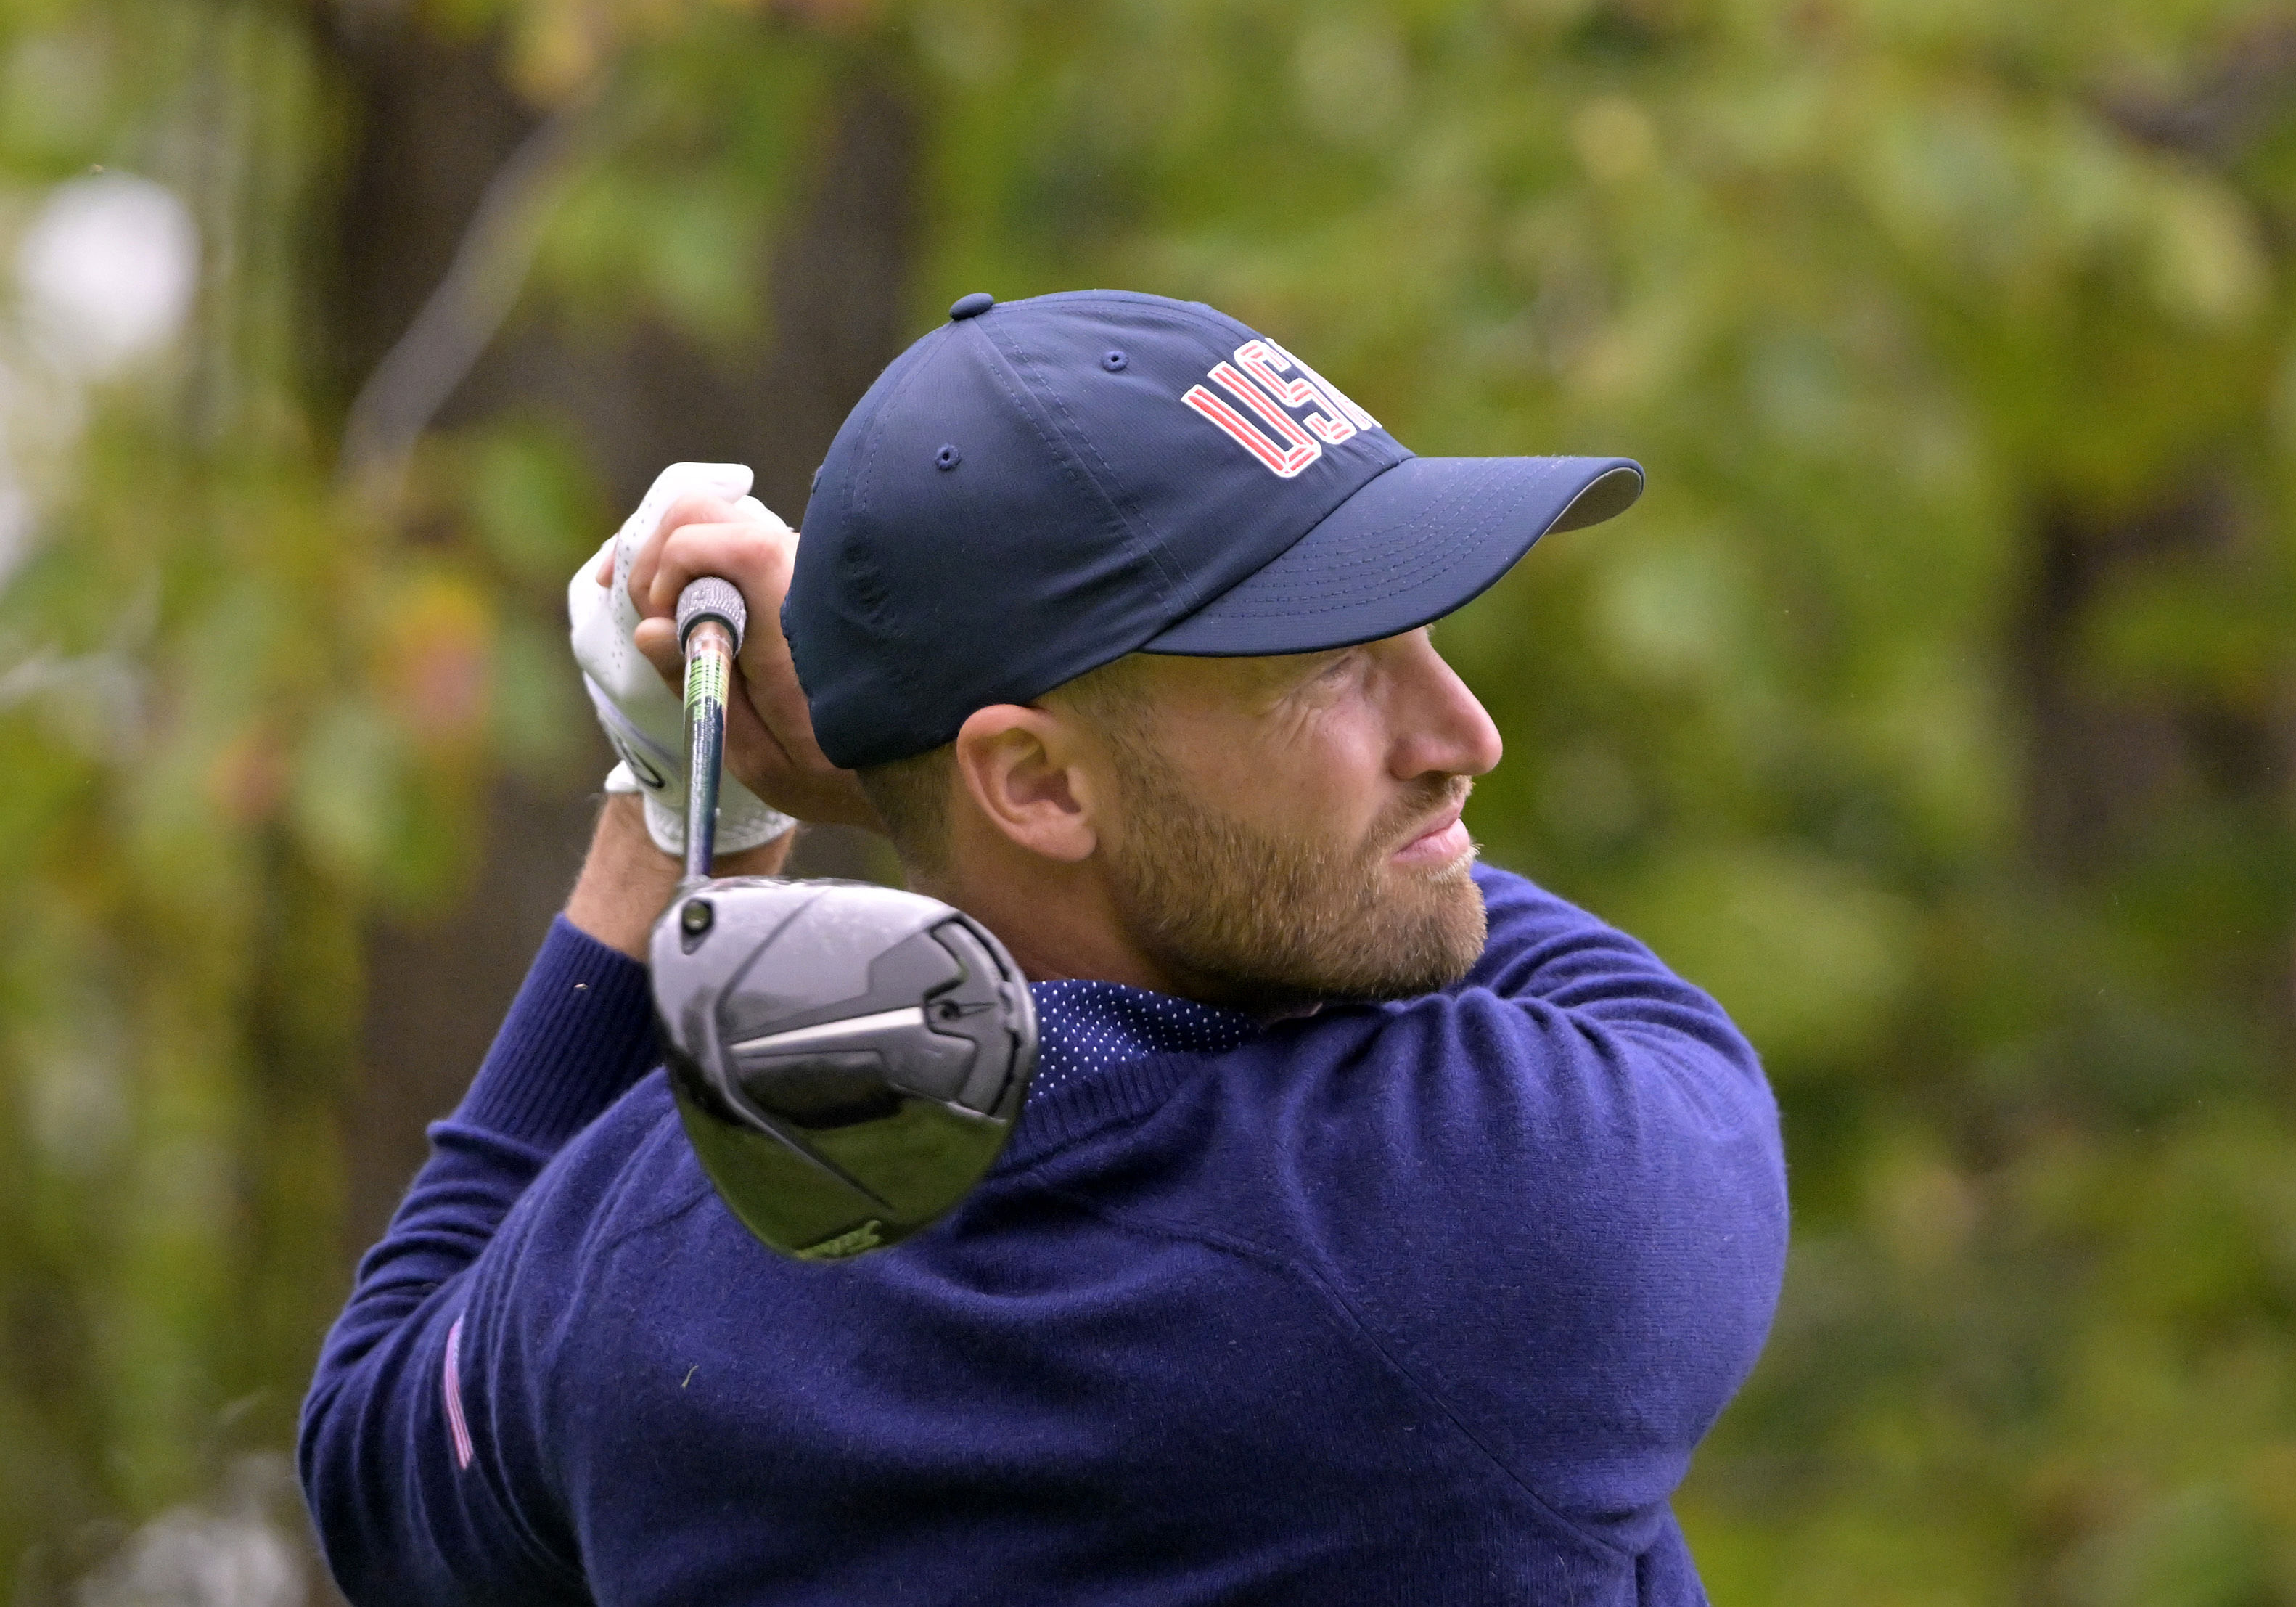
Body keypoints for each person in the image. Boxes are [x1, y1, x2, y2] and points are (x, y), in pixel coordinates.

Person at [299, 290, 1789, 1606]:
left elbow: (375, 1448)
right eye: (1335, 667)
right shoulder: (1482, 1215)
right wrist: (871, 778)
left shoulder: (650, 1263)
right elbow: (1602, 1001)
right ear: (1039, 784)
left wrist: (701, 800)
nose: (1465, 735)